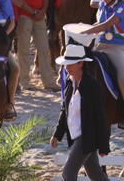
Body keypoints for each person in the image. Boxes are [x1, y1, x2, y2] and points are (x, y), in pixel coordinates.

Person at [50, 44, 110, 181]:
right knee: (95, 175)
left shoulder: (92, 86)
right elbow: (65, 111)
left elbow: (100, 116)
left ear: (80, 63)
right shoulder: (70, 84)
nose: (66, 67)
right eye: (66, 64)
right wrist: (57, 134)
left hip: (87, 138)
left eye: (70, 64)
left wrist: (103, 145)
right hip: (77, 136)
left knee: (67, 174)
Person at [82, 0, 124, 129]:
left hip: (116, 50)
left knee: (122, 79)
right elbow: (100, 22)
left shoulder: (123, 7)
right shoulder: (103, 6)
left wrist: (87, 31)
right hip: (100, 46)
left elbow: (106, 25)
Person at [13, 0, 60, 92]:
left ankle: (49, 81)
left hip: (39, 15)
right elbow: (19, 0)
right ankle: (25, 81)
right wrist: (33, 11)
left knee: (44, 49)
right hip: (25, 17)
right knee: (24, 49)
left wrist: (43, 10)